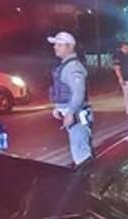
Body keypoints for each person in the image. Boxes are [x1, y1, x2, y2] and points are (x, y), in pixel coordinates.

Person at [48, 32, 93, 167]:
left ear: (70, 47)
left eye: (59, 45)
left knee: (81, 154)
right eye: (55, 44)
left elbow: (78, 93)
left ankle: (89, 182)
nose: (55, 47)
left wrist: (70, 112)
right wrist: (59, 108)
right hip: (73, 114)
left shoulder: (72, 67)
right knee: (79, 150)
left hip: (77, 115)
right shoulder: (66, 66)